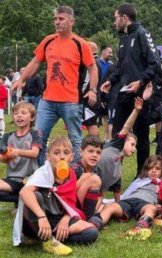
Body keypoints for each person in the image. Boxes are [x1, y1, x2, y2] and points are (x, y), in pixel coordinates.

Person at [11, 6, 98, 166]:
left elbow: (93, 67)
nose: (57, 22)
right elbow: (36, 61)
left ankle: (75, 175)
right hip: (47, 101)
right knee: (38, 138)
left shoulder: (81, 44)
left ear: (71, 21)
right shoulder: (48, 40)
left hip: (71, 101)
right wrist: (22, 79)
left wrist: (92, 89)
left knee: (76, 140)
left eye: (61, 19)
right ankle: (41, 173)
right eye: (55, 19)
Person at [13, 136, 99, 256]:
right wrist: (42, 217)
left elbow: (70, 202)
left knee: (91, 232)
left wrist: (65, 219)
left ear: (72, 157)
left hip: (58, 217)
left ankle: (54, 236)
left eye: (66, 152)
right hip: (38, 219)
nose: (62, 156)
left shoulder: (71, 174)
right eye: (57, 153)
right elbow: (24, 192)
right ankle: (48, 241)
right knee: (35, 196)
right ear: (48, 156)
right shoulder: (43, 173)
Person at [100, 2, 160, 174]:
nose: (114, 22)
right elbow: (120, 67)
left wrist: (140, 82)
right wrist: (111, 80)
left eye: (116, 18)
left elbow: (154, 64)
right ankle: (114, 176)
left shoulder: (142, 33)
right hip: (123, 93)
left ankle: (142, 175)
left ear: (124, 18)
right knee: (118, 134)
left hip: (141, 93)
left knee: (141, 136)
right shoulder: (123, 39)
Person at [89, 155, 162, 240]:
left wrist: (161, 205)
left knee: (151, 209)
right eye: (150, 168)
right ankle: (94, 224)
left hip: (146, 203)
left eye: (157, 169)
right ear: (146, 169)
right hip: (129, 201)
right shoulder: (140, 180)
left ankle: (139, 228)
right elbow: (127, 193)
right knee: (111, 207)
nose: (153, 171)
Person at [96, 97, 143, 202]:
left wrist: (119, 204)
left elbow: (117, 185)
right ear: (124, 140)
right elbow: (127, 127)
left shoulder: (118, 160)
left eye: (134, 146)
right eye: (132, 144)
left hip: (99, 185)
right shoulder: (117, 143)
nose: (134, 149)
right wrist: (136, 110)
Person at [0, 102, 41, 205]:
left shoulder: (35, 134)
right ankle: (21, 199)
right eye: (16, 113)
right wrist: (6, 156)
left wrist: (17, 152)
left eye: (23, 113)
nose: (19, 115)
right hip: (12, 179)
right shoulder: (7, 137)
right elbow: (2, 159)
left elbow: (34, 153)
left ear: (32, 118)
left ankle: (23, 199)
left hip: (29, 180)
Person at [72, 135, 104, 219]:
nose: (95, 155)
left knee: (102, 205)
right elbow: (67, 193)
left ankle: (90, 215)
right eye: (91, 151)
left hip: (85, 205)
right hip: (71, 205)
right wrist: (83, 179)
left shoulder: (97, 170)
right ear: (81, 152)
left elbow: (100, 196)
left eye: (98, 152)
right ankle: (88, 218)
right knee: (94, 179)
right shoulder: (75, 168)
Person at [81, 41, 101, 137]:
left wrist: (81, 94)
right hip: (94, 97)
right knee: (92, 123)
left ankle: (95, 145)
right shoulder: (98, 62)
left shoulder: (91, 63)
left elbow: (86, 81)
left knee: (91, 124)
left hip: (88, 98)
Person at [97, 45, 114, 141]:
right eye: (109, 52)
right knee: (103, 116)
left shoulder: (111, 64)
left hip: (109, 93)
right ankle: (106, 135)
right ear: (103, 52)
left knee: (109, 115)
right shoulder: (97, 63)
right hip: (98, 92)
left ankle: (109, 137)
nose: (111, 55)